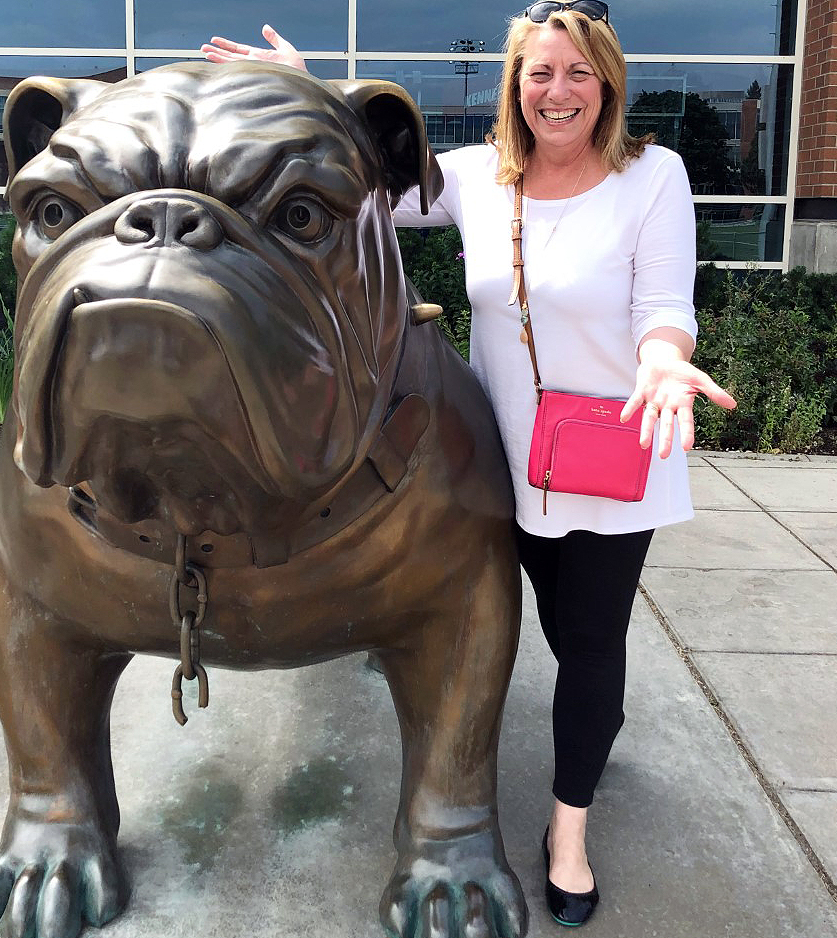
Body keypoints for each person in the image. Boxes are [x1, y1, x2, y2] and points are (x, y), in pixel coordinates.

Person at [203, 3, 736, 928]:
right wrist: (310, 88)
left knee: (591, 643)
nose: (557, 92)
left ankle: (567, 831)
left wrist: (662, 359)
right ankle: (589, 732)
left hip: (611, 456)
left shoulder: (653, 177)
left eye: (577, 73)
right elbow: (361, 184)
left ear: (605, 80)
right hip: (505, 462)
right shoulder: (479, 180)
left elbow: (663, 301)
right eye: (540, 73)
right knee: (558, 642)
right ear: (515, 84)